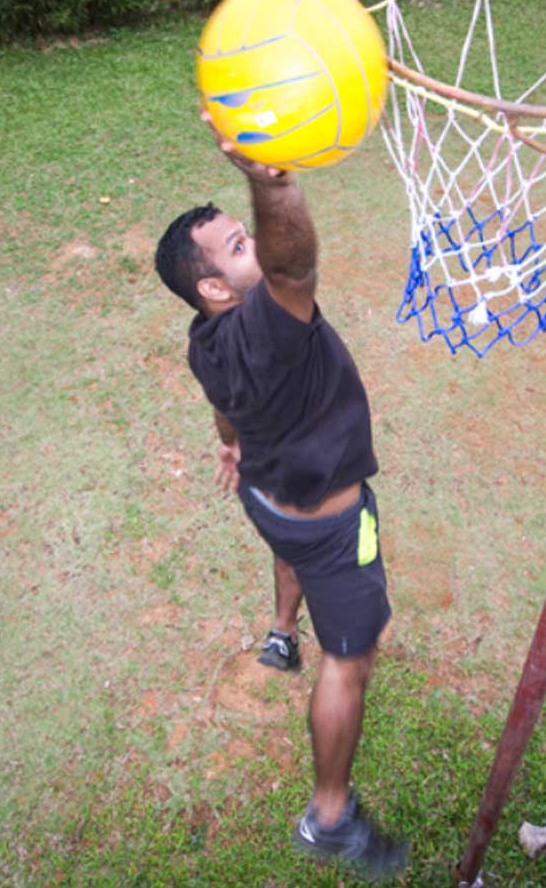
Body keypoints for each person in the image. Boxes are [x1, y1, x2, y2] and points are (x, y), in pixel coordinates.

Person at [153, 114, 409, 880]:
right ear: (211, 287)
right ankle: (329, 813)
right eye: (238, 248)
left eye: (248, 234)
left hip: (265, 497)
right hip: (331, 531)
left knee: (286, 550)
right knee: (349, 663)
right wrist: (273, 187)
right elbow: (295, 269)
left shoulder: (205, 336)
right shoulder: (270, 322)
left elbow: (224, 407)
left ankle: (278, 630)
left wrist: (229, 441)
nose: (256, 249)